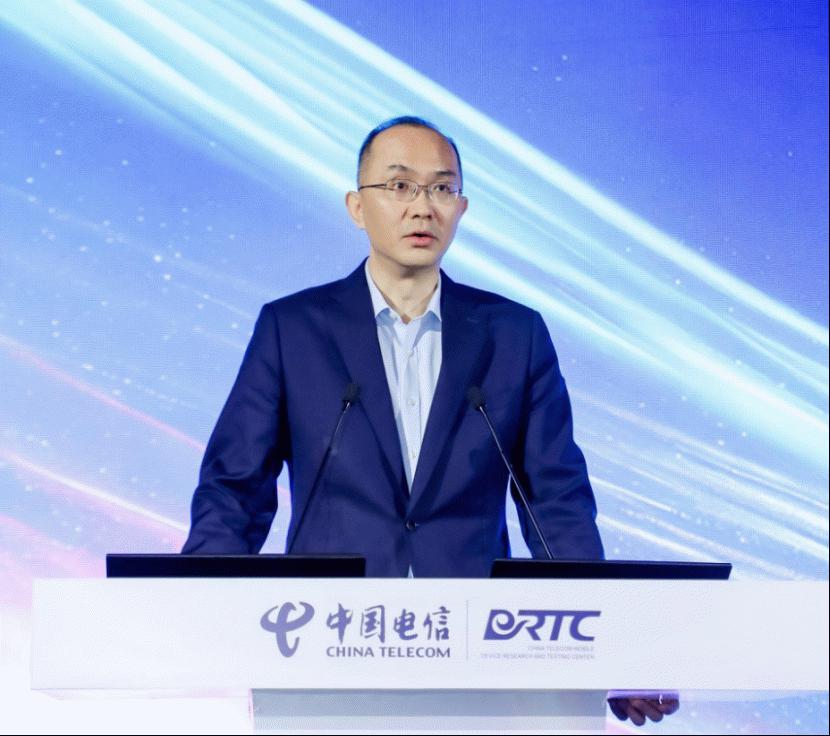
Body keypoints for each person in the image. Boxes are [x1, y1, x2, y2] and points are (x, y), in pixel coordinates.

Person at [182, 116, 676, 725]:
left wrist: (610, 645)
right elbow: (234, 490)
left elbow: (557, 503)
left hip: (481, 659)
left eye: (442, 188)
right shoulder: (293, 328)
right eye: (399, 186)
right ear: (356, 206)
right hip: (326, 652)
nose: (423, 207)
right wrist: (191, 608)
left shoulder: (513, 334)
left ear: (461, 208)